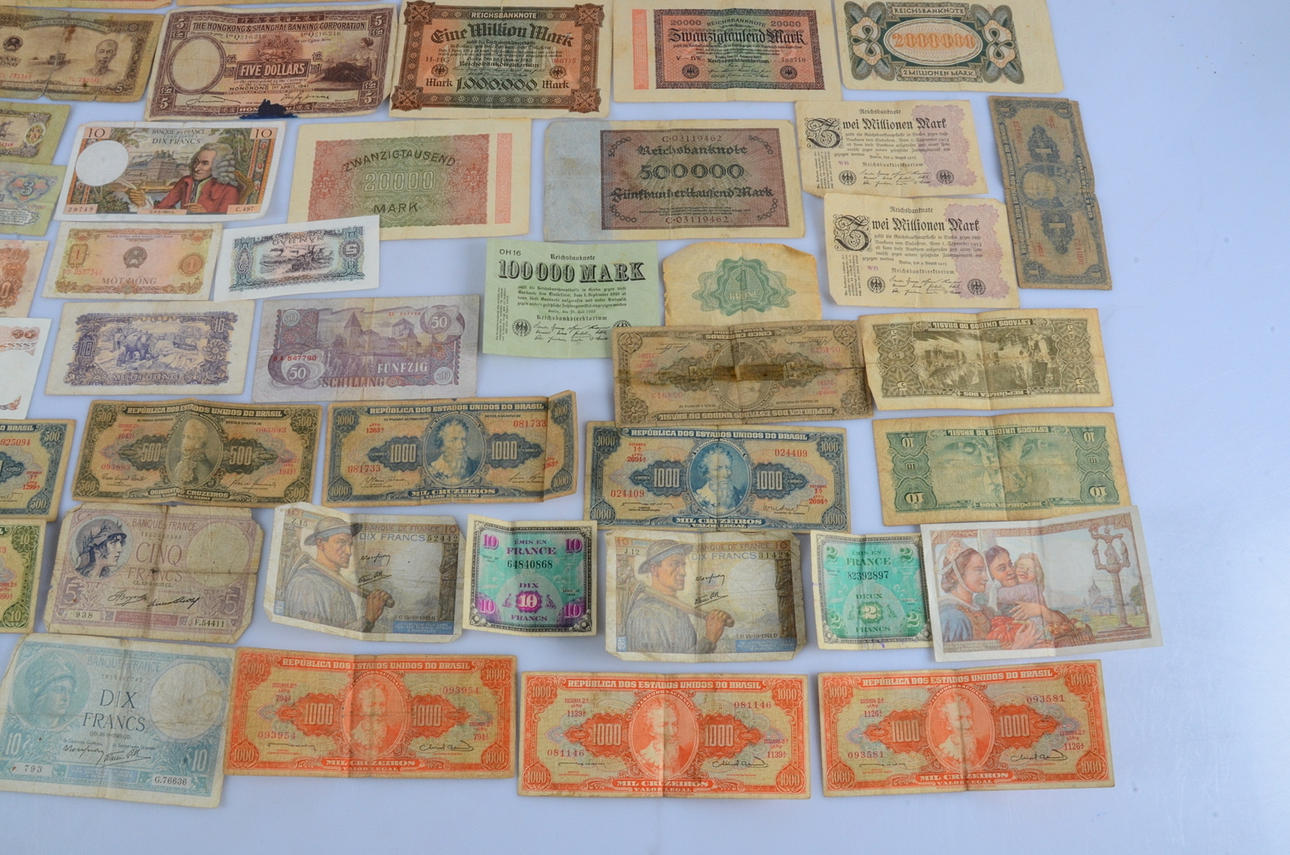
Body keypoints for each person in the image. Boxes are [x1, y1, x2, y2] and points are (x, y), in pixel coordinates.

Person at [282, 516, 393, 632]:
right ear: (320, 543)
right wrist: (367, 620)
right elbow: (316, 638)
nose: (349, 552)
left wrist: (369, 619)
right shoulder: (305, 584)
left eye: (350, 544)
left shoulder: (340, 586)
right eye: (341, 542)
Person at [623, 539, 731, 654]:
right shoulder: (644, 614)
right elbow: (661, 663)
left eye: (683, 565)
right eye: (675, 564)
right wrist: (709, 640)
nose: (683, 572)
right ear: (654, 569)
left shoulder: (678, 611)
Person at [938, 547, 1040, 648]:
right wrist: (1018, 647)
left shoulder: (982, 609)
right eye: (979, 570)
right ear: (955, 575)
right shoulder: (952, 617)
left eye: (985, 571)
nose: (986, 577)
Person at [129, 143, 240, 214]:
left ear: (217, 166)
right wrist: (143, 203)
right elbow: (162, 207)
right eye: (196, 162)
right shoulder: (186, 181)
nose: (196, 168)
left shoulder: (230, 191)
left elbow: (227, 221)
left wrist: (205, 213)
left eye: (205, 163)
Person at [692, 446, 744, 515]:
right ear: (706, 473)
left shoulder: (739, 496)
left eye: (728, 468)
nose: (726, 474)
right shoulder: (698, 498)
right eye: (718, 469)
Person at [426, 417, 479, 484]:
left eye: (463, 439)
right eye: (453, 440)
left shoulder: (475, 467)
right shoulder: (433, 470)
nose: (461, 446)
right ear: (442, 445)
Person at [170, 416, 218, 488]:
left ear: (199, 443)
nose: (184, 441)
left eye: (189, 437)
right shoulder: (180, 461)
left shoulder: (204, 467)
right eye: (184, 436)